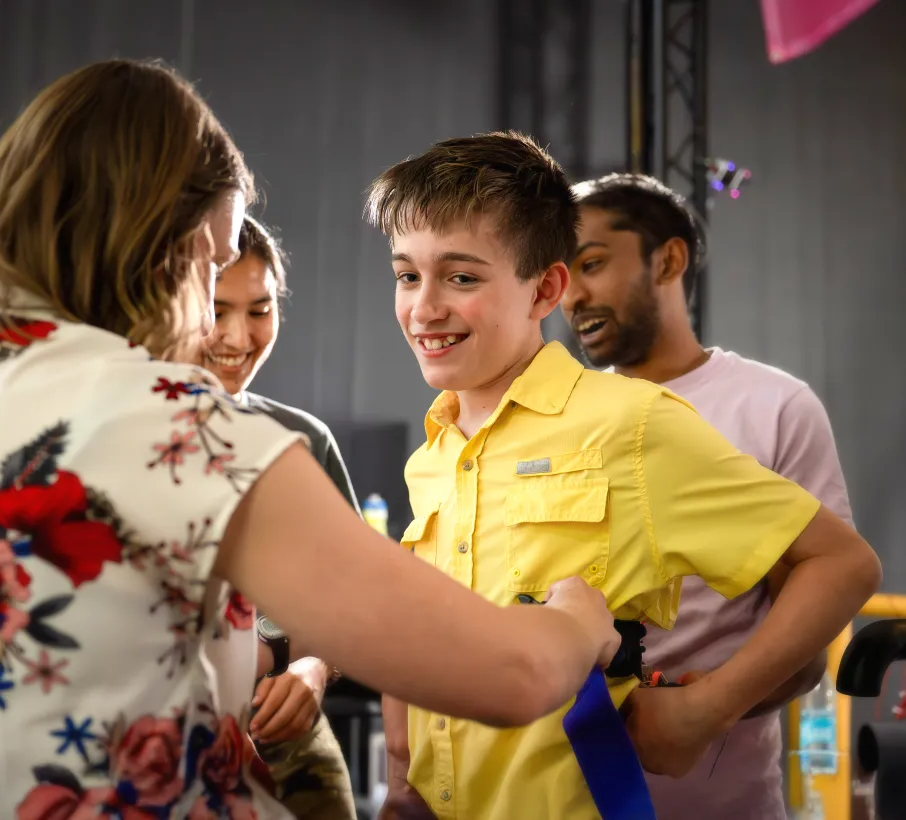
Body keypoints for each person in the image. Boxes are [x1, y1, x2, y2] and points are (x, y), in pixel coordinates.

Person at [0, 60, 624, 820]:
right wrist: (578, 619)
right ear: (172, 247)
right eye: (214, 265)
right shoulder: (175, 426)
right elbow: (511, 674)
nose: (212, 319)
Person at [365, 131, 881, 820]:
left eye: (461, 277)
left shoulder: (631, 425)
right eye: (407, 275)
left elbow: (841, 564)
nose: (424, 308)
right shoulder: (434, 450)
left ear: (545, 287)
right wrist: (404, 774)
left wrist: (706, 709)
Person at [563, 172, 855, 820]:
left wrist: (705, 708)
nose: (572, 294)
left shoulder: (773, 405)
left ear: (668, 259)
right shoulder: (559, 416)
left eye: (591, 263)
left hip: (721, 801)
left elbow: (811, 629)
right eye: (563, 271)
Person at [201, 214, 358, 820]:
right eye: (216, 310)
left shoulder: (303, 440)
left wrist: (314, 669)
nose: (238, 337)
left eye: (260, 310)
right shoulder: (125, 434)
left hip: (280, 736)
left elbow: (347, 598)